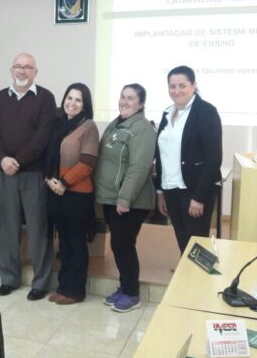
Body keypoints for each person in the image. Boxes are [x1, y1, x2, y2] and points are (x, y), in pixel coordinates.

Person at [0, 53, 56, 301]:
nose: (22, 71)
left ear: (35, 72)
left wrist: (18, 160)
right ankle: (9, 278)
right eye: (18, 66)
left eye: (28, 67)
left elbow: (43, 136)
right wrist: (3, 159)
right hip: (4, 172)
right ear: (11, 70)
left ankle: (40, 282)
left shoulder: (46, 98)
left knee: (38, 228)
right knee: (7, 227)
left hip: (33, 174)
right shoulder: (0, 98)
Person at [95, 84, 156, 312]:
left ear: (141, 104)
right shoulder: (118, 123)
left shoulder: (142, 128)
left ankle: (132, 293)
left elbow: (139, 168)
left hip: (129, 201)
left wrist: (124, 198)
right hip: (112, 198)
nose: (124, 101)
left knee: (123, 245)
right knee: (120, 245)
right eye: (122, 96)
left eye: (131, 98)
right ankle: (124, 287)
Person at [155, 65, 222, 253]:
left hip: (194, 191)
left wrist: (199, 197)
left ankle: (200, 280)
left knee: (197, 245)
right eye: (172, 86)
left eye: (182, 86)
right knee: (183, 242)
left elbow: (213, 158)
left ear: (193, 85)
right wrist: (160, 190)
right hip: (171, 188)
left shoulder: (206, 112)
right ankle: (188, 278)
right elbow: (161, 154)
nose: (176, 91)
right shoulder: (167, 112)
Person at [45, 83, 99, 305]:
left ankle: (75, 291)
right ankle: (63, 286)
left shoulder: (89, 127)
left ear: (84, 105)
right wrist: (49, 179)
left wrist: (64, 183)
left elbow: (88, 163)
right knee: (64, 243)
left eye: (78, 100)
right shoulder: (60, 125)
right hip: (56, 191)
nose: (72, 103)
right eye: (69, 98)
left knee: (76, 243)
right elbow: (49, 157)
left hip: (77, 194)